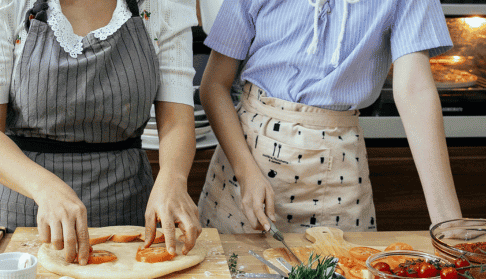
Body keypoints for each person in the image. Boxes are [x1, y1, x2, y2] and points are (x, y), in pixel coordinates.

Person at [0, 0, 202, 265]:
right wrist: (45, 188)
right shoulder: (2, 5)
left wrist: (174, 178)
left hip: (125, 210)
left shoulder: (162, 6)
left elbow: (176, 121)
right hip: (19, 214)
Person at [197, 0, 463, 234]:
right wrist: (246, 174)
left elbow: (415, 92)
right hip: (245, 162)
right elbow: (213, 86)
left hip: (340, 170)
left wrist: (448, 223)